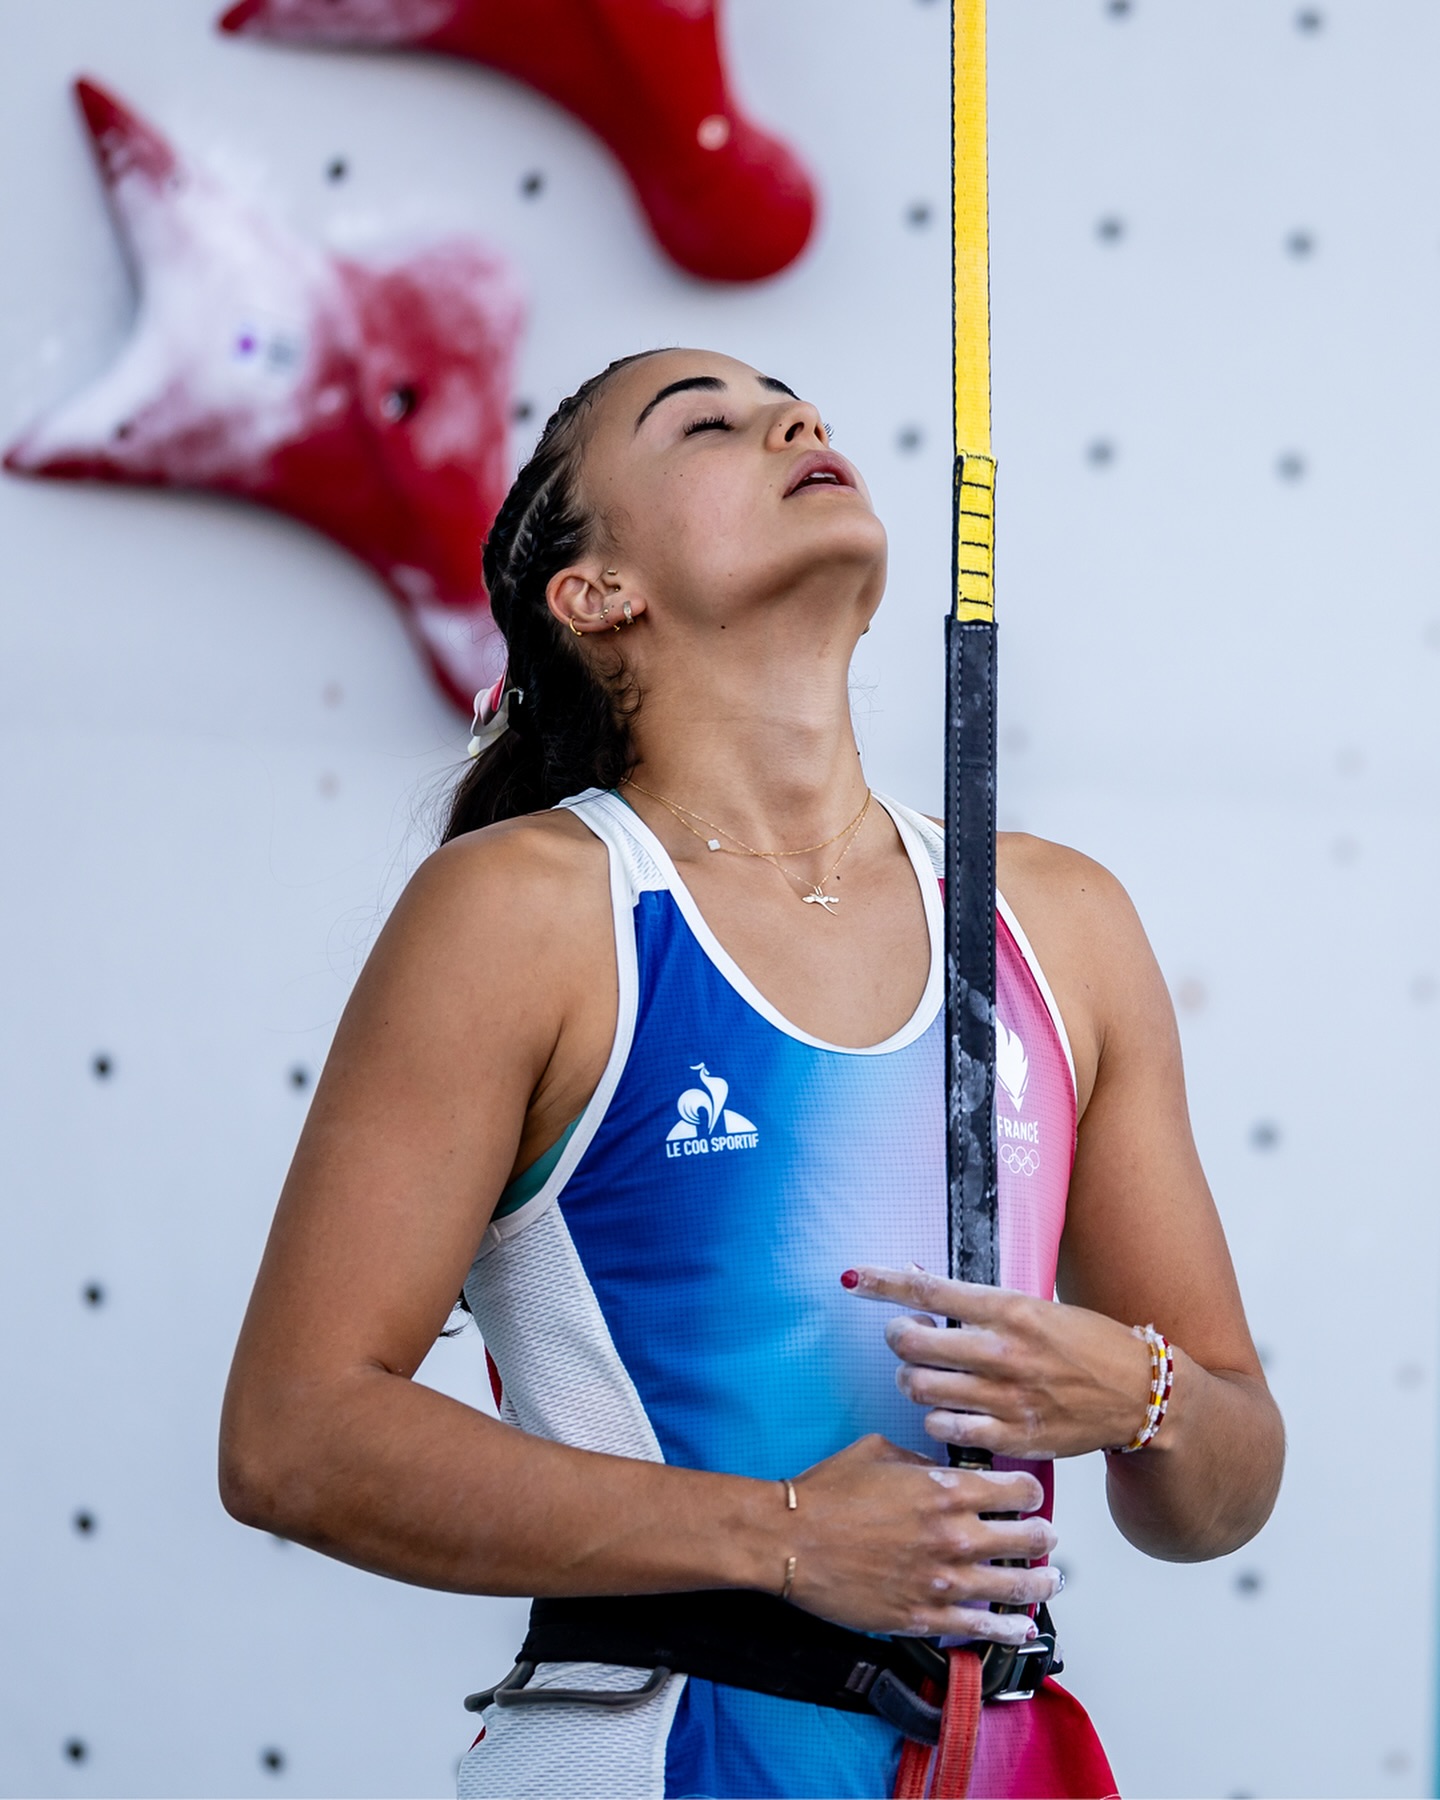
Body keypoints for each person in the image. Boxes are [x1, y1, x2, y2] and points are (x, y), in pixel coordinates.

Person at [219, 348, 1284, 1800]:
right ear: (596, 595)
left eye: (806, 410)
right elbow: (294, 1439)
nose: (795, 422)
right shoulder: (525, 911)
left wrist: (1142, 1395)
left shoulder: (1060, 921)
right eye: (706, 423)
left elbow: (1219, 1489)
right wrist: (781, 1531)